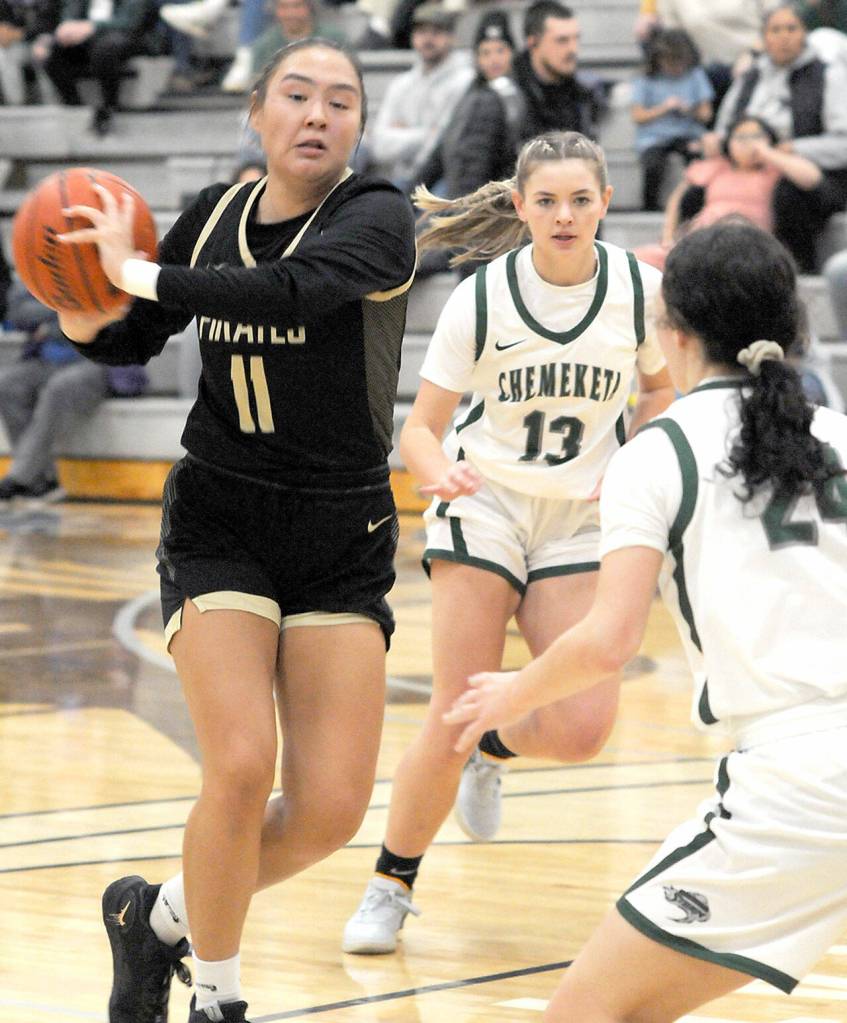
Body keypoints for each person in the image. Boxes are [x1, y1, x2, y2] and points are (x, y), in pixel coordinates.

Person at [56, 38, 416, 1022]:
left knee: (332, 810)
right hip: (223, 518)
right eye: (297, 94)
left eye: (340, 101)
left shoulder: (377, 217)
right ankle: (216, 995)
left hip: (341, 533)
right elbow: (133, 334)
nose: (318, 114)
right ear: (256, 111)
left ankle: (161, 920)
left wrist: (136, 273)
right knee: (241, 766)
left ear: (356, 126)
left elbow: (295, 293)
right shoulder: (213, 213)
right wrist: (80, 298)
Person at [443, 217, 847, 1023]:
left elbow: (608, 641)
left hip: (799, 786)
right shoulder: (837, 432)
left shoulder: (656, 451)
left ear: (670, 331)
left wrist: (512, 695)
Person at [342, 130, 675, 956]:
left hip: (578, 513)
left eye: (581, 199)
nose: (564, 215)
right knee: (455, 704)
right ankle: (390, 881)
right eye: (547, 200)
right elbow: (418, 430)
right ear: (520, 206)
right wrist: (434, 473)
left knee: (579, 729)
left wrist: (636, 455)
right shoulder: (481, 298)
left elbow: (660, 389)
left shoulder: (641, 290)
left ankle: (497, 742)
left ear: (604, 203)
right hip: (483, 502)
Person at [703, 2, 847, 272]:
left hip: (810, 173)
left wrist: (795, 148)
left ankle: (798, 268)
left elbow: (843, 144)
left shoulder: (829, 74)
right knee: (697, 188)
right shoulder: (750, 76)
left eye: (791, 28)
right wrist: (718, 143)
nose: (784, 36)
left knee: (789, 194)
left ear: (805, 33)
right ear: (764, 37)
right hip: (748, 166)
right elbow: (724, 129)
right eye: (775, 29)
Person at [0, 278, 147, 502]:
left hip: (99, 362)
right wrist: (68, 309)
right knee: (9, 385)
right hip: (47, 360)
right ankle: (41, 480)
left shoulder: (107, 264)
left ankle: (20, 478)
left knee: (59, 387)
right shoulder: (43, 263)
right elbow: (17, 312)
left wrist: (51, 322)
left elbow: (112, 313)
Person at [635, 114, 822, 270]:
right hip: (700, 239)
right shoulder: (718, 167)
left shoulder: (774, 170)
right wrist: (668, 236)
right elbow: (678, 197)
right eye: (740, 137)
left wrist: (767, 152)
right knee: (636, 260)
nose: (747, 143)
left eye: (756, 136)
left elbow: (811, 178)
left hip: (747, 246)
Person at [412, 9, 520, 278]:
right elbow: (440, 154)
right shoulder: (473, 97)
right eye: (485, 53)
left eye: (500, 51)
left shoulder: (517, 97)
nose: (493, 60)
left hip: (496, 218)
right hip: (470, 213)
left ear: (512, 53)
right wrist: (406, 194)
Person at [366, 2, 473, 190]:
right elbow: (379, 145)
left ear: (451, 37)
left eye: (436, 32)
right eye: (421, 32)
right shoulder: (401, 83)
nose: (428, 39)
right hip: (399, 179)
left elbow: (443, 143)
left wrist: (402, 132)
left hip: (442, 179)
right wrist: (425, 133)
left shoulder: (465, 81)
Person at [41, 0, 166, 135]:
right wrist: (67, 29)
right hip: (87, 38)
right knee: (52, 51)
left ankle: (109, 106)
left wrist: (92, 27)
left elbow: (130, 22)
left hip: (126, 37)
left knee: (105, 49)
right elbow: (70, 14)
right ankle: (74, 104)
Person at [631, 28, 713, 211]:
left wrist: (688, 110)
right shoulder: (646, 79)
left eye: (679, 62)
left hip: (688, 133)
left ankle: (695, 208)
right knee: (652, 164)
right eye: (669, 62)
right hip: (654, 137)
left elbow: (706, 115)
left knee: (697, 159)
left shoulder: (695, 75)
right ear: (658, 59)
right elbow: (638, 116)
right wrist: (664, 108)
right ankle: (649, 208)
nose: (675, 68)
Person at [511, 0, 607, 144]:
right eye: (562, 40)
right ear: (532, 43)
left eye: (576, 39)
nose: (573, 49)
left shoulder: (582, 98)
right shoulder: (505, 100)